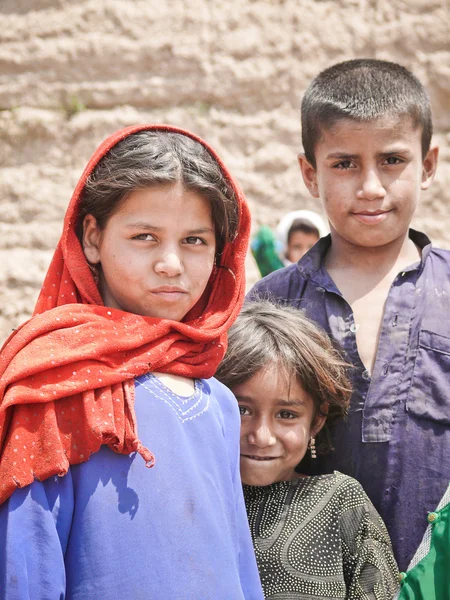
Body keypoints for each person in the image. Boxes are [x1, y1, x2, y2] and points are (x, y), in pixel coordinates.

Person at [0, 125, 264, 599]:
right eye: (145, 236)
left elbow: (238, 561)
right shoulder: (58, 378)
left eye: (195, 241)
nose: (170, 263)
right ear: (93, 238)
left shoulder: (219, 401)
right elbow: (28, 554)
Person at [248, 58, 450, 573]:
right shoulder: (268, 307)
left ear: (428, 164)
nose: (370, 187)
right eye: (344, 164)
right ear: (309, 173)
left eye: (391, 161)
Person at [216, 301, 399, 599]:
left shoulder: (340, 503)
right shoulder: (188, 497)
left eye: (286, 414)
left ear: (317, 420)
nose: (262, 437)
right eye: (241, 410)